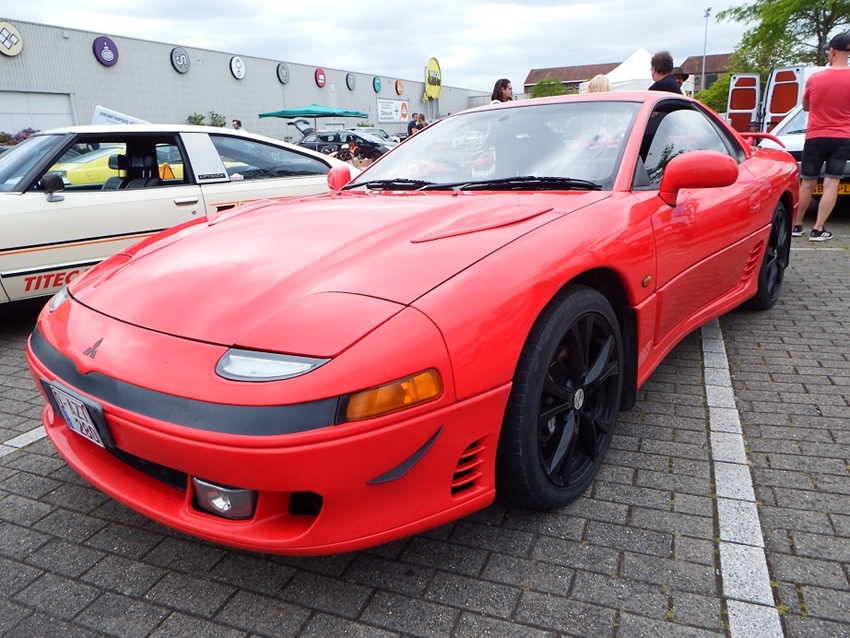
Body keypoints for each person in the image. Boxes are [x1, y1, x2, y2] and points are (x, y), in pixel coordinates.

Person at [792, 31, 850, 241]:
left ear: (832, 51)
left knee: (807, 182)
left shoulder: (815, 78)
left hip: (815, 136)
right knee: (831, 183)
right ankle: (818, 229)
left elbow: (806, 106)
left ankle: (797, 225)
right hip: (842, 137)